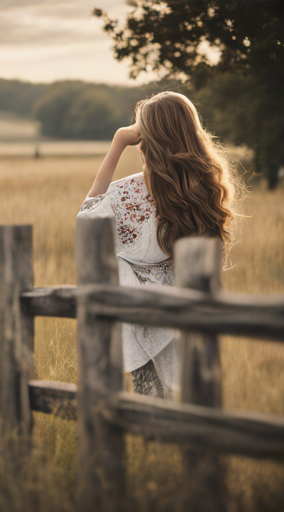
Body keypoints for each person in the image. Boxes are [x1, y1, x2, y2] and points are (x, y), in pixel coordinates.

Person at [76, 91, 241, 400]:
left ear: (146, 141)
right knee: (196, 402)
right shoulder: (206, 190)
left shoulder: (130, 192)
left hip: (139, 317)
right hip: (190, 315)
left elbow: (86, 219)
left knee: (151, 403)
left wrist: (116, 143)